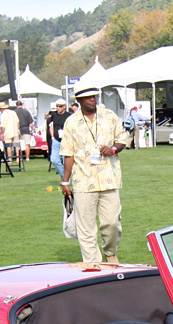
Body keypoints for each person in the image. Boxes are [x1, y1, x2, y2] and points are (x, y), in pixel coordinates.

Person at [60, 85, 128, 264]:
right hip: (83, 181)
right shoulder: (71, 122)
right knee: (86, 228)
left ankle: (110, 252)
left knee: (112, 222)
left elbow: (122, 139)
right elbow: (68, 153)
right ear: (79, 101)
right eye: (88, 97)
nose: (92, 100)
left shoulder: (109, 116)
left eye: (94, 97)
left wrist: (112, 149)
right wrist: (65, 182)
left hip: (109, 178)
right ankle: (93, 264)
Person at [49, 99, 70, 176]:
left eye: (60, 106)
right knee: (54, 160)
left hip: (66, 140)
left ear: (64, 107)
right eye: (57, 106)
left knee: (66, 161)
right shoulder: (54, 115)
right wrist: (53, 137)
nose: (58, 108)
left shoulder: (69, 115)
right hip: (56, 140)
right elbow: (51, 125)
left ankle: (66, 179)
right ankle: (63, 176)